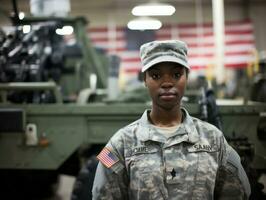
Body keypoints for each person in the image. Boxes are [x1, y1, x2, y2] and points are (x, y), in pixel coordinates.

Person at [92, 40, 251, 199]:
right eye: (156, 75)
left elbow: (238, 193)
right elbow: (102, 195)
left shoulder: (214, 140)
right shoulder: (119, 144)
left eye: (176, 74)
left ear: (186, 77)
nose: (167, 83)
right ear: (145, 80)